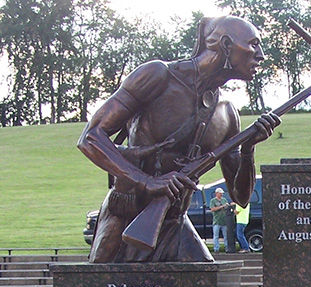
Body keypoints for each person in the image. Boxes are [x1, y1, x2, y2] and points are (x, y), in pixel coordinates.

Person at [78, 16, 279, 263]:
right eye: (253, 44)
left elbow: (241, 197)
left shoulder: (226, 113)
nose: (260, 55)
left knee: (207, 283)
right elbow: (91, 137)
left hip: (175, 217)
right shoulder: (158, 75)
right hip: (127, 209)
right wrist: (145, 181)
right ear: (226, 45)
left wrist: (248, 151)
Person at [208, 187, 233, 253]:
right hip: (216, 221)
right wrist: (222, 206)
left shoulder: (224, 200)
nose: (221, 195)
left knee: (225, 236)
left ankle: (227, 248)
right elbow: (212, 209)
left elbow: (227, 207)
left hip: (224, 221)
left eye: (222, 193)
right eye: (220, 193)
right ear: (216, 193)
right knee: (216, 236)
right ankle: (216, 248)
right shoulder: (213, 201)